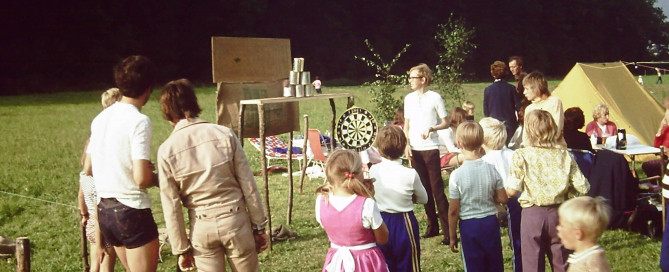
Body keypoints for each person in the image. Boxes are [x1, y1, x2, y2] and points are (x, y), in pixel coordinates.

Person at [156, 79, 269, 271]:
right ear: (194, 103)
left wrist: (181, 249)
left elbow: (171, 205)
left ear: (167, 112)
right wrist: (259, 225)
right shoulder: (224, 134)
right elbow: (248, 184)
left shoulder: (166, 150)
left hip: (201, 225)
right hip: (236, 219)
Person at [83, 55, 160, 272]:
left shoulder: (100, 118)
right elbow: (141, 179)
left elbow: (89, 167)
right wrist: (163, 178)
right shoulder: (139, 121)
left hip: (105, 212)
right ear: (148, 88)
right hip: (131, 211)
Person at [506, 109, 590, 272]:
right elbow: (584, 187)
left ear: (528, 131)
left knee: (532, 263)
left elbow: (511, 191)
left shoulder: (521, 155)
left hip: (532, 214)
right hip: (559, 214)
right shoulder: (565, 155)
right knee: (562, 262)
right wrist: (570, 193)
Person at [447, 121, 507, 272]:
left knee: (474, 265)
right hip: (489, 222)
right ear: (481, 142)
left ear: (459, 144)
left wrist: (452, 235)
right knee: (494, 263)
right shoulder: (491, 169)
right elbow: (503, 198)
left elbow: (453, 211)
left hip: (469, 225)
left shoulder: (456, 175)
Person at [315, 149, 389, 272]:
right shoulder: (367, 205)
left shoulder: (321, 201)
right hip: (366, 263)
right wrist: (368, 198)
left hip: (337, 263)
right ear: (357, 173)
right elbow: (383, 238)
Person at [403, 63, 451, 245]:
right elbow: (406, 125)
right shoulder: (408, 99)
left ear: (423, 79)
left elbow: (446, 122)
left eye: (413, 77)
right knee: (424, 190)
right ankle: (432, 227)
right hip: (415, 148)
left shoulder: (435, 97)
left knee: (437, 190)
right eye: (409, 77)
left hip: (430, 148)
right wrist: (406, 145)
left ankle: (448, 231)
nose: (410, 80)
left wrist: (433, 127)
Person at [370, 125, 428, 272]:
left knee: (384, 262)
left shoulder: (373, 170)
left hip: (380, 220)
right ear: (403, 147)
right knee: (408, 262)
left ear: (378, 148)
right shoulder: (410, 174)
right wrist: (411, 197)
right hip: (404, 221)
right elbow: (424, 199)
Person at [78, 88, 123, 272]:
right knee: (106, 261)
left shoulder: (85, 177)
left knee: (95, 260)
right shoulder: (111, 132)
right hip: (105, 222)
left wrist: (83, 214)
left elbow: (81, 196)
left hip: (90, 224)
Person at [479, 117, 522, 272]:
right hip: (519, 199)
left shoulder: (485, 161)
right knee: (518, 242)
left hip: (505, 202)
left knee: (515, 241)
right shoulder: (513, 154)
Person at [557, 196, 612, 272]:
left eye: (562, 225)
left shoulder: (589, 266)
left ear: (578, 234)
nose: (558, 228)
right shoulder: (587, 257)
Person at [522, 71, 566, 148]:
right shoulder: (529, 109)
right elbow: (526, 136)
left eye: (526, 89)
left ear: (536, 88)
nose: (524, 92)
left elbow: (557, 130)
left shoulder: (554, 102)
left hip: (554, 149)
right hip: (534, 151)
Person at [484, 61, 521, 144]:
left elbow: (486, 111)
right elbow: (518, 106)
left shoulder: (488, 90)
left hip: (494, 125)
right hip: (510, 124)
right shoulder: (511, 88)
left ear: (493, 74)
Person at [642, 96, 669, 178]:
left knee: (649, 166)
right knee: (647, 165)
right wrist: (660, 129)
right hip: (664, 157)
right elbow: (656, 147)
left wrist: (667, 151)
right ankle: (658, 185)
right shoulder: (666, 129)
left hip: (667, 159)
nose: (666, 115)